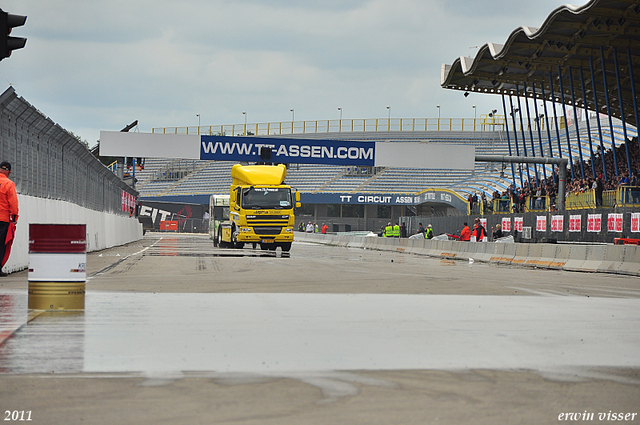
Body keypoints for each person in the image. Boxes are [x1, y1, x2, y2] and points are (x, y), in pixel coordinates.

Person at [0, 162, 18, 276]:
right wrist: (15, 216)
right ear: (9, 172)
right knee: (2, 244)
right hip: (3, 219)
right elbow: (13, 202)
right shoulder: (9, 184)